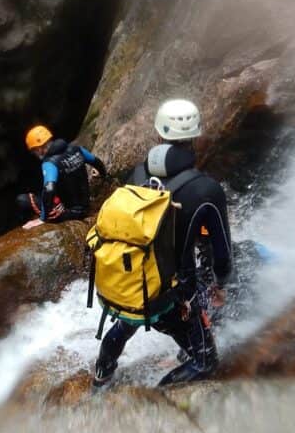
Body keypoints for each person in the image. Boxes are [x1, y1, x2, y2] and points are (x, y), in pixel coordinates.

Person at [92, 99, 233, 388]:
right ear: (195, 136)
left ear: (158, 135)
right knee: (205, 362)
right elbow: (222, 256)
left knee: (127, 321)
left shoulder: (136, 174)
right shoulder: (207, 190)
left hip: (128, 285)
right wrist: (220, 284)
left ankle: (102, 375)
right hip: (171, 297)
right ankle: (158, 399)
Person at [18, 125, 107, 230]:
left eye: (33, 151)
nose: (34, 154)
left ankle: (26, 223)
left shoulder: (49, 163)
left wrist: (42, 219)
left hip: (69, 213)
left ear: (39, 149)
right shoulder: (76, 148)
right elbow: (96, 161)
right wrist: (102, 174)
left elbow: (49, 189)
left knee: (22, 200)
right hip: (86, 205)